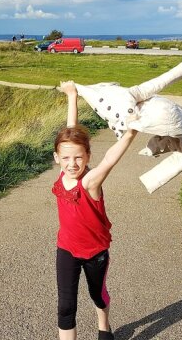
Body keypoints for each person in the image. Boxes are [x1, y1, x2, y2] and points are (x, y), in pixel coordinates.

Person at [53, 81, 138, 340]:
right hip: (66, 248)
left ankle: (104, 327)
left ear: (88, 156)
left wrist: (131, 132)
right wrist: (72, 96)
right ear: (57, 157)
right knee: (66, 307)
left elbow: (111, 158)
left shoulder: (90, 182)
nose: (72, 163)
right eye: (65, 158)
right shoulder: (62, 172)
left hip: (95, 252)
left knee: (97, 295)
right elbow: (71, 131)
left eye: (79, 157)